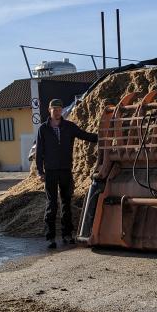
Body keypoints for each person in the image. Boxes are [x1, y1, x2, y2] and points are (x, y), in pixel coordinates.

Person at [36, 98, 98, 249]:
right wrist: (40, 171)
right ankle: (50, 237)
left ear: (62, 110)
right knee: (51, 205)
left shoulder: (69, 126)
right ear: (49, 111)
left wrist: (102, 137)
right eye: (54, 109)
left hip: (65, 170)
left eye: (59, 109)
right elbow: (39, 152)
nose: (57, 112)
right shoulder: (43, 129)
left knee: (66, 204)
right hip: (50, 172)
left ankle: (67, 234)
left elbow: (85, 135)